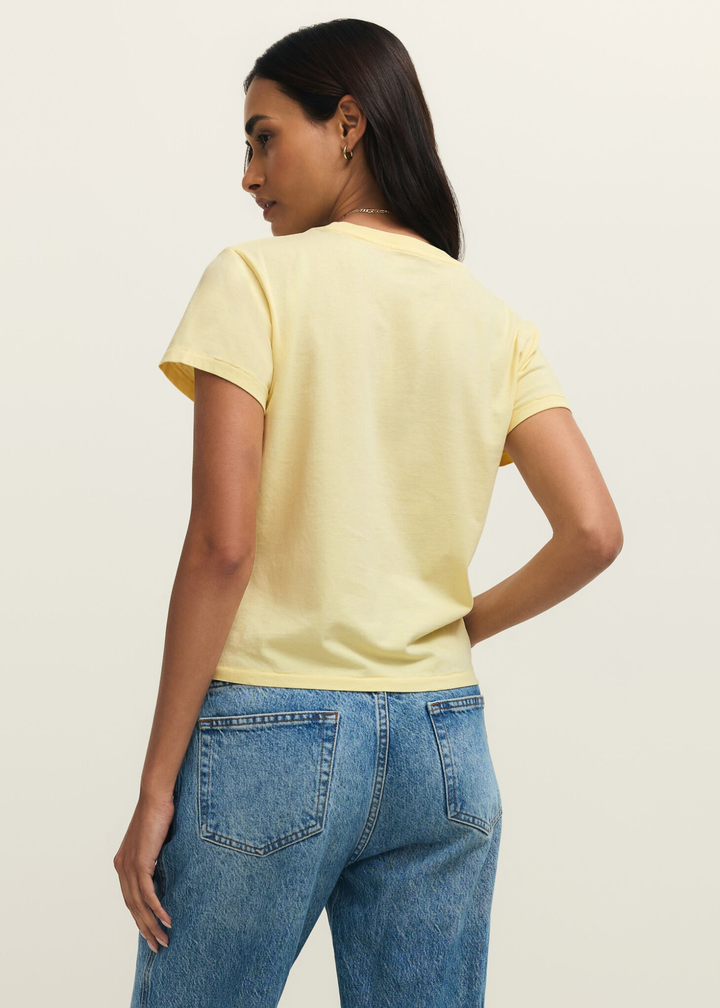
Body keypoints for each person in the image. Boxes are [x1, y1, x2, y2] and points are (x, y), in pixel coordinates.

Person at [114, 18, 623, 1008]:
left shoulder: (253, 280)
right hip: (445, 748)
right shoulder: (492, 318)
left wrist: (155, 786)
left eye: (264, 137)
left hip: (271, 730)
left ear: (347, 123)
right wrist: (459, 625)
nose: (250, 175)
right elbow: (595, 531)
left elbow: (222, 547)